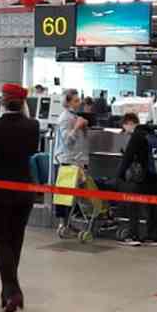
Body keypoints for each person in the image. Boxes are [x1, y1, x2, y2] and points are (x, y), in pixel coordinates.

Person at [0, 84, 39, 312]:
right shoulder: (33, 125)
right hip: (24, 189)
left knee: (0, 239)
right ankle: (8, 293)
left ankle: (12, 291)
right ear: (23, 102)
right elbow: (32, 150)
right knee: (16, 239)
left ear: (3, 101)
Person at [116, 112, 157, 247]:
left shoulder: (137, 135)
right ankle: (153, 237)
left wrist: (119, 175)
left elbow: (128, 157)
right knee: (151, 206)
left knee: (133, 204)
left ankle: (133, 236)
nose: (125, 130)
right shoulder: (151, 133)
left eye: (125, 127)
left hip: (142, 176)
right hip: (156, 176)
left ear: (129, 123)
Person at [54, 89, 90, 230]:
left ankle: (67, 223)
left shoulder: (73, 116)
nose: (79, 103)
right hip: (68, 160)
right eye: (75, 100)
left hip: (75, 160)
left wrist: (83, 127)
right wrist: (77, 127)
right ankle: (64, 224)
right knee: (65, 196)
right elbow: (67, 141)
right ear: (67, 102)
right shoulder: (65, 118)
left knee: (72, 196)